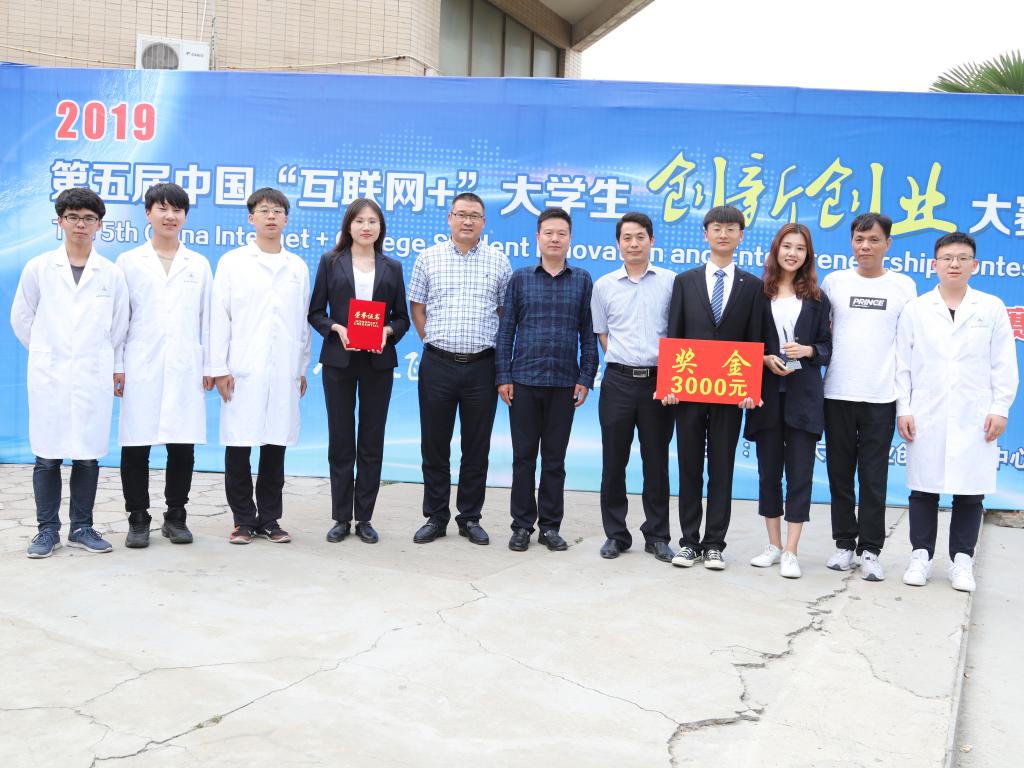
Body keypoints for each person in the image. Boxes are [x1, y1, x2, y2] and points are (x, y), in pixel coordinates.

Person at [11, 187, 129, 558]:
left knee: (87, 454)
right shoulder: (39, 267)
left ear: (99, 225)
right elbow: (22, 317)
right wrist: (48, 350)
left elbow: (118, 325)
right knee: (47, 455)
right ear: (60, 221)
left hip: (92, 373)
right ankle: (47, 531)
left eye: (89, 218)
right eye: (73, 217)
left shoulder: (110, 274)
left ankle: (82, 527)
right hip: (50, 372)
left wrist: (90, 356)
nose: (81, 224)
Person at [896, 232, 1017, 592]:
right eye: (947, 258)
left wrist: (1000, 407)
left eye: (962, 258)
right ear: (934, 264)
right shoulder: (917, 309)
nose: (954, 264)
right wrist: (904, 408)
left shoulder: (991, 307)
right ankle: (920, 556)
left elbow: (1003, 362)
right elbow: (902, 364)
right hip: (926, 410)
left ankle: (962, 560)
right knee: (923, 488)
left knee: (971, 490)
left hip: (975, 412)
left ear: (974, 265)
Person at [408, 192, 512, 545]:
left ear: (484, 222)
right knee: (434, 445)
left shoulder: (499, 261)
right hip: (438, 364)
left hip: (482, 366)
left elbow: (504, 313)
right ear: (450, 218)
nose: (468, 221)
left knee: (476, 447)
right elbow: (417, 306)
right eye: (462, 214)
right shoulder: (428, 257)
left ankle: (469, 517)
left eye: (475, 216)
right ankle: (436, 516)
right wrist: (432, 340)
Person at [664, 205, 764, 570]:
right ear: (706, 234)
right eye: (717, 228)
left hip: (730, 395)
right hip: (689, 392)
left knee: (722, 469)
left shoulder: (752, 286)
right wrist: (671, 384)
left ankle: (714, 544)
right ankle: (689, 542)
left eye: (731, 229)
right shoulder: (685, 281)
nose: (723, 234)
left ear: (741, 236)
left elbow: (754, 340)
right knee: (689, 467)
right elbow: (675, 333)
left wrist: (750, 387)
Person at [209, 188, 311, 545]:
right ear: (251, 218)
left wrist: (300, 368)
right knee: (239, 445)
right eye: (264, 210)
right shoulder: (233, 262)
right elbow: (219, 318)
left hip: (284, 370)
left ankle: (269, 519)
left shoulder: (297, 266)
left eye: (278, 211)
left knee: (274, 445)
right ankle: (242, 519)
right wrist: (219, 368)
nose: (271, 216)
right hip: (242, 368)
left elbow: (302, 323)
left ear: (286, 219)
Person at [116, 183, 214, 548]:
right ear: (148, 213)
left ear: (185, 216)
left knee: (182, 445)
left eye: (177, 210)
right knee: (136, 444)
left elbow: (208, 320)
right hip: (140, 363)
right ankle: (138, 517)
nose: (170, 216)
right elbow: (119, 319)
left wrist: (211, 364)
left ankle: (175, 516)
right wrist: (117, 364)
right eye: (162, 209)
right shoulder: (129, 262)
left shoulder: (198, 264)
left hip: (185, 365)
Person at [496, 208, 598, 552]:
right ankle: (521, 526)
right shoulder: (521, 278)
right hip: (523, 381)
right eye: (549, 233)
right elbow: (506, 330)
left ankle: (550, 527)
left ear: (570, 239)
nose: (555, 239)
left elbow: (588, 332)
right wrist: (503, 375)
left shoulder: (582, 279)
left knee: (555, 460)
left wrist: (586, 376)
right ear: (537, 238)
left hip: (564, 384)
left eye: (561, 233)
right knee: (523, 458)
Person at [308, 198, 409, 544]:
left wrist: (387, 331)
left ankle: (364, 517)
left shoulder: (392, 267)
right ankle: (341, 517)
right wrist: (336, 328)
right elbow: (315, 312)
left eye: (373, 221)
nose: (366, 227)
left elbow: (402, 317)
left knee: (371, 440)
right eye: (360, 221)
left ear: (381, 228)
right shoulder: (330, 262)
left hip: (378, 362)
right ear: (348, 226)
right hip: (340, 361)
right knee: (340, 440)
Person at [822, 213, 916, 581]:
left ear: (887, 244)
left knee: (874, 478)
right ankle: (845, 543)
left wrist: (905, 402)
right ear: (851, 243)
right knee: (839, 474)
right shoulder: (834, 282)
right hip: (837, 393)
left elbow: (908, 346)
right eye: (859, 240)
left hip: (881, 396)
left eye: (874, 240)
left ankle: (871, 550)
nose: (866, 246)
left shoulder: (903, 286)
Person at [744, 223, 832, 579]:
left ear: (807, 255)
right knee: (768, 474)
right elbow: (747, 342)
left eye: (800, 248)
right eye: (787, 246)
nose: (792, 253)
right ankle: (773, 545)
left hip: (803, 397)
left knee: (800, 475)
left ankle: (792, 551)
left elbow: (827, 347)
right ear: (776, 250)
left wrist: (807, 350)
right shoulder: (758, 293)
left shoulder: (817, 298)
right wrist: (764, 358)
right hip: (766, 394)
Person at [591, 211, 675, 562]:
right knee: (614, 461)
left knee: (656, 462)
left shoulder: (671, 282)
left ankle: (657, 535)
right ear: (618, 243)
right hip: (618, 382)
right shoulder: (604, 285)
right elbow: (602, 333)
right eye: (627, 238)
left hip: (659, 383)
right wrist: (624, 361)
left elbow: (679, 332)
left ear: (651, 240)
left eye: (640, 237)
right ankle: (616, 534)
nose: (634, 243)